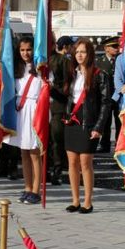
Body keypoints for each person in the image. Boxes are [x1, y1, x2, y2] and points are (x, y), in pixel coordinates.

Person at [63, 38, 108, 214]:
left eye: (83, 51)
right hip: (72, 122)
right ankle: (75, 200)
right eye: (77, 52)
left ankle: (87, 202)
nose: (79, 55)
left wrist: (98, 127)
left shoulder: (99, 75)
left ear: (89, 54)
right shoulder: (72, 73)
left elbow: (105, 104)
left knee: (85, 163)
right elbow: (67, 97)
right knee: (72, 162)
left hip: (89, 123)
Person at [4, 36, 44, 205]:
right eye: (22, 50)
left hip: (34, 110)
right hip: (20, 111)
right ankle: (27, 187)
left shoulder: (41, 69)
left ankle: (36, 189)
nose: (25, 53)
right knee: (24, 152)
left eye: (28, 49)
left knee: (34, 152)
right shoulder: (17, 69)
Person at [48, 36, 74, 185]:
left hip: (57, 105)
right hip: (38, 106)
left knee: (56, 138)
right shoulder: (37, 60)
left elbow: (67, 85)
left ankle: (57, 170)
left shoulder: (63, 60)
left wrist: (54, 89)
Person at [95, 36, 119, 152]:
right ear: (106, 48)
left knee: (120, 122)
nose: (116, 48)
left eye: (117, 46)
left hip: (120, 97)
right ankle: (105, 145)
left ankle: (119, 146)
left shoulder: (121, 60)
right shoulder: (99, 62)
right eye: (114, 46)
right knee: (106, 121)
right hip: (106, 97)